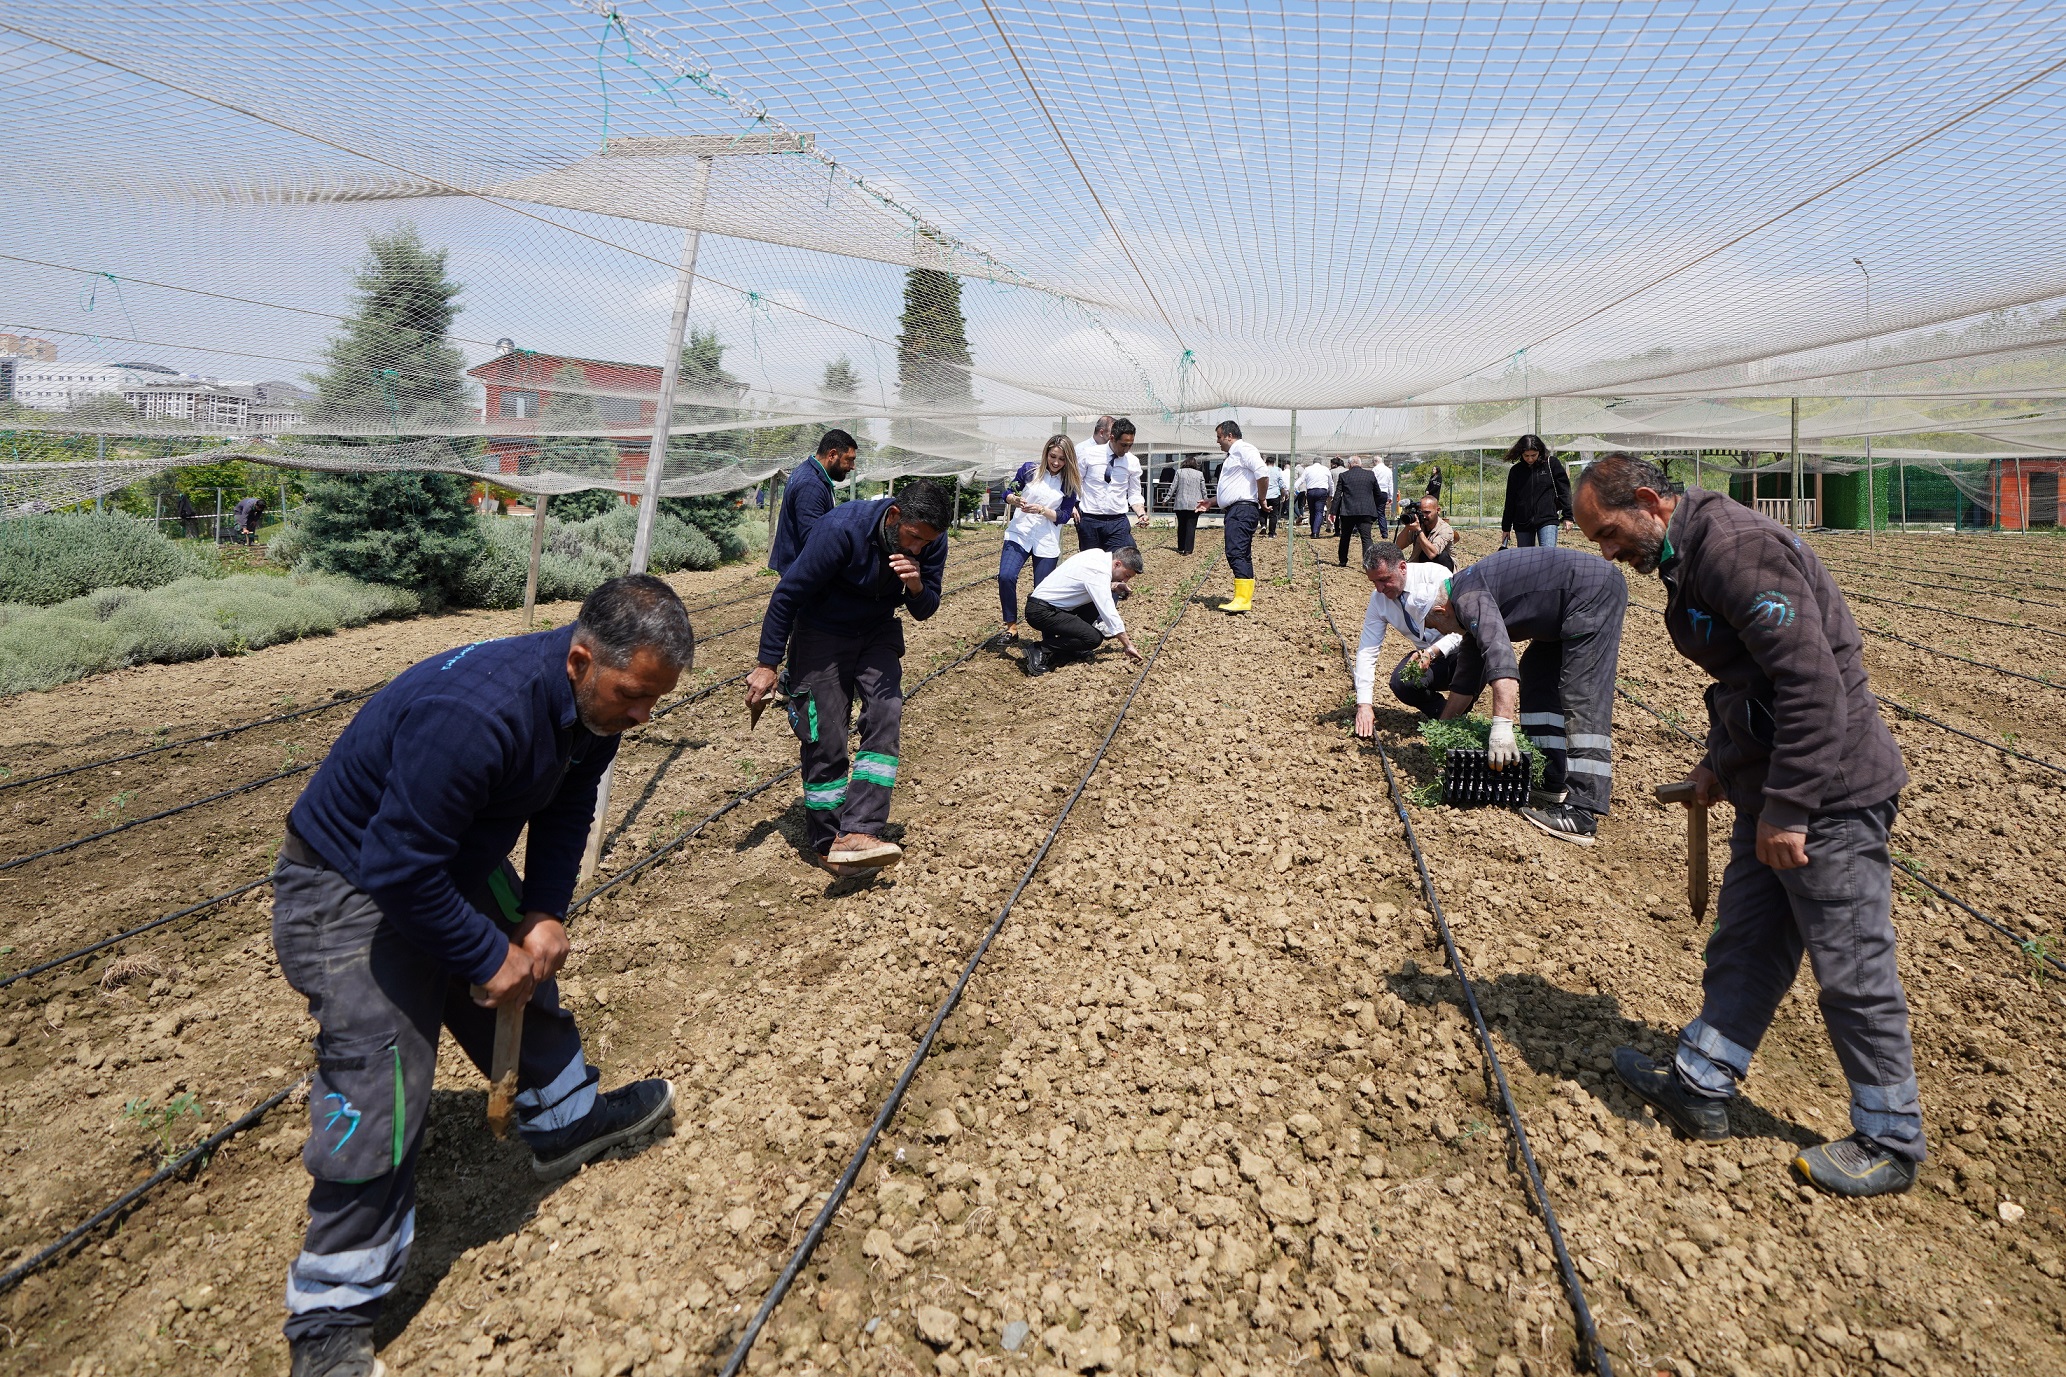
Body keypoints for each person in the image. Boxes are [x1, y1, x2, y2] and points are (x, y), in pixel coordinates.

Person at [271, 576, 692, 1377]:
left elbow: (567, 808)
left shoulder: (589, 706)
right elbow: (394, 868)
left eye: (654, 702)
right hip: (348, 884)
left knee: (527, 968)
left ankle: (564, 1119)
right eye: (635, 696)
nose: (643, 717)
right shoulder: (476, 715)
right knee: (383, 1072)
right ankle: (330, 1313)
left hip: (442, 861)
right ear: (580, 659)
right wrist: (484, 952)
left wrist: (540, 914)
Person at [1574, 454, 1924, 1197]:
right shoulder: (1689, 551)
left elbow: (1811, 684)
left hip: (1828, 792)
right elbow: (1748, 681)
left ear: (1647, 501)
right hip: (1770, 782)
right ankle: (1702, 1080)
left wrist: (1792, 808)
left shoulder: (1734, 550)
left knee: (1852, 963)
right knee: (1748, 936)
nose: (1607, 551)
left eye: (1607, 533)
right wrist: (1718, 765)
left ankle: (1890, 1136)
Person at [745, 480, 952, 873]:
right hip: (822, 631)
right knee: (826, 734)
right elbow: (787, 595)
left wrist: (916, 585)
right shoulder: (841, 529)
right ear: (894, 517)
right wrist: (767, 664)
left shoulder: (930, 540)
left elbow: (926, 608)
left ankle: (860, 830)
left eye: (927, 543)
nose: (918, 548)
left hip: (876, 631)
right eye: (913, 538)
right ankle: (828, 842)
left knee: (886, 712)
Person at [1418, 546, 1628, 845]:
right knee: (1538, 673)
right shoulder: (1466, 595)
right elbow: (1467, 676)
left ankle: (1582, 810)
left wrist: (1501, 726)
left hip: (1590, 593)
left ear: (1441, 610)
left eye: (1434, 625)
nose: (1438, 633)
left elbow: (1498, 653)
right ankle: (1553, 777)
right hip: (1565, 605)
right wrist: (1442, 729)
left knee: (1584, 692)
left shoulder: (1467, 598)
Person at [1349, 544, 1463, 738]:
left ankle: (1461, 712)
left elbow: (1462, 629)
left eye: (1384, 580)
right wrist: (1364, 705)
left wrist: (1432, 652)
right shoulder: (1378, 600)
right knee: (1403, 682)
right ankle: (1447, 718)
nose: (1379, 588)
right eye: (1373, 581)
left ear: (1402, 567)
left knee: (1470, 675)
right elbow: (1368, 650)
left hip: (1464, 652)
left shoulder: (1435, 576)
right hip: (1429, 659)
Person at [998, 435, 1080, 638]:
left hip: (1046, 539)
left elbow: (1063, 516)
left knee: (1042, 592)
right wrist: (1014, 499)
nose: (1056, 462)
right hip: (1020, 532)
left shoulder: (1068, 484)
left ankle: (1048, 638)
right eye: (1053, 456)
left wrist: (1043, 510)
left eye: (1061, 459)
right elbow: (1007, 492)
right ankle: (1011, 627)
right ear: (1046, 453)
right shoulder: (1029, 470)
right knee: (1006, 576)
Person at [1022, 546, 1145, 675]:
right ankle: (1039, 649)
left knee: (1093, 604)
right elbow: (1108, 612)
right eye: (1126, 575)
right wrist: (1127, 644)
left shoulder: (1098, 555)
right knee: (1093, 638)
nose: (1125, 580)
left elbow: (1089, 583)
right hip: (1041, 611)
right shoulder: (1099, 571)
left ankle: (1067, 650)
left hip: (1050, 606)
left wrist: (1112, 586)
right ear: (1117, 564)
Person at [768, 429, 858, 574]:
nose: (852, 466)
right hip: (800, 572)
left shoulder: (809, 470)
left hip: (796, 566)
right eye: (849, 459)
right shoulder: (811, 484)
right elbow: (812, 539)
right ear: (832, 455)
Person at [1213, 420, 1266, 614]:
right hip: (1238, 509)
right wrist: (1212, 501)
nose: (1218, 441)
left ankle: (1242, 600)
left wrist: (1261, 498)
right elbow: (1236, 488)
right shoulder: (1234, 455)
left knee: (1236, 551)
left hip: (1242, 510)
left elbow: (1262, 472)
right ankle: (1243, 598)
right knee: (1241, 552)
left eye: (1219, 437)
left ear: (1229, 435)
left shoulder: (1243, 449)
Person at [1074, 417, 1146, 552]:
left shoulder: (1132, 462)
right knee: (1092, 565)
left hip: (1117, 521)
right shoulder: (1089, 454)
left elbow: (1134, 493)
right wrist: (1072, 505)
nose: (1126, 449)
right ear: (1112, 438)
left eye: (1130, 445)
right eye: (1123, 445)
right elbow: (1076, 482)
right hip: (1090, 520)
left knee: (1118, 564)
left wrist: (1141, 513)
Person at [1499, 433, 1572, 550]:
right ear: (1520, 454)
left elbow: (1564, 491)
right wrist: (1506, 527)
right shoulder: (1516, 471)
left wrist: (1568, 516)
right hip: (1522, 522)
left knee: (1548, 555)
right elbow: (1510, 499)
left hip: (1547, 519)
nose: (1530, 459)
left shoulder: (1551, 464)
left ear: (1540, 451)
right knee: (1526, 560)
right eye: (1526, 455)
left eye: (1534, 455)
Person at [1331, 455, 1384, 567]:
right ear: (1361, 464)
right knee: (1366, 538)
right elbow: (1378, 494)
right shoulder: (1370, 474)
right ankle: (1368, 563)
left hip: (1348, 511)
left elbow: (1337, 495)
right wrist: (1376, 505)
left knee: (1345, 536)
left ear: (1349, 465)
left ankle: (1342, 560)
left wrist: (1333, 512)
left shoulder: (1344, 475)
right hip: (1366, 511)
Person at [1396, 494, 1457, 569]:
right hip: (1422, 567)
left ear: (1437, 510)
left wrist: (1419, 531)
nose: (1424, 516)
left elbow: (1432, 554)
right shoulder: (1420, 524)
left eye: (1427, 512)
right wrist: (1407, 527)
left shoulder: (1445, 529)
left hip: (1443, 568)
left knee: (1441, 555)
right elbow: (1399, 546)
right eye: (1421, 512)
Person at [1169, 456, 1207, 555]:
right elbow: (1203, 489)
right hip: (1195, 504)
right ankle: (1188, 549)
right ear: (1195, 464)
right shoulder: (1199, 474)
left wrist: (1166, 499)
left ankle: (1181, 547)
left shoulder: (1179, 472)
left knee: (1181, 525)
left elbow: (1173, 486)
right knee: (1191, 527)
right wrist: (1206, 501)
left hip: (1180, 503)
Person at [1297, 455, 1331, 538]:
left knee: (1312, 512)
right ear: (1321, 462)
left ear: (1313, 462)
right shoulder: (1325, 469)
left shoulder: (1308, 469)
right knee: (1319, 512)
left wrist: (1293, 487)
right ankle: (1316, 532)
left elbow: (1301, 479)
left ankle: (1313, 530)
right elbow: (1331, 483)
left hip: (1311, 491)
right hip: (1322, 491)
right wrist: (1331, 493)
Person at [1370, 455, 1396, 538]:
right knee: (1381, 513)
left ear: (1375, 461)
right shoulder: (1388, 470)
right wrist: (1390, 496)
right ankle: (1384, 533)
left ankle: (1366, 530)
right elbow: (1390, 484)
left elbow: (1372, 482)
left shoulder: (1375, 469)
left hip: (1376, 492)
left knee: (1370, 512)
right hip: (1384, 492)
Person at [1261, 456, 1285, 538]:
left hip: (1264, 494)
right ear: (1274, 463)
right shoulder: (1277, 470)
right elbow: (1281, 483)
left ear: (1266, 462)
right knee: (1273, 515)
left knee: (1263, 512)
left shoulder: (1262, 470)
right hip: (1274, 495)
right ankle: (1271, 533)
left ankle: (1263, 525)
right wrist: (1284, 494)